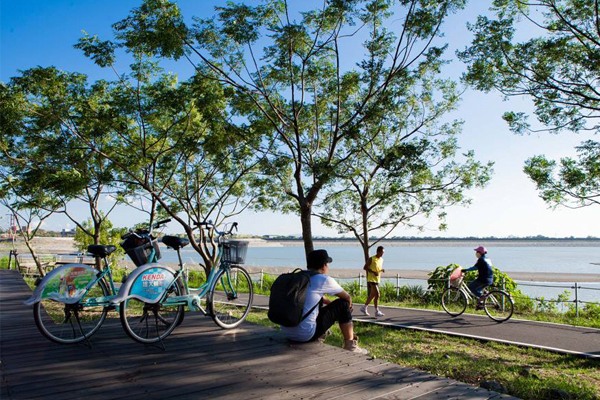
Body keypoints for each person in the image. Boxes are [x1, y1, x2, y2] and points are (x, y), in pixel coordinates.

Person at [281, 249, 368, 354]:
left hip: (286, 331)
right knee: (343, 304)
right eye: (327, 264)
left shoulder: (299, 278)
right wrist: (344, 311)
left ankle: (320, 336)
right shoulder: (323, 279)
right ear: (324, 266)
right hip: (305, 335)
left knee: (321, 306)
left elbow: (310, 297)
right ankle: (351, 346)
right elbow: (347, 298)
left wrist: (330, 305)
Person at [360, 246, 385, 317]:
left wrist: (381, 270)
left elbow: (378, 268)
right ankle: (377, 311)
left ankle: (364, 308)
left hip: (377, 279)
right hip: (371, 279)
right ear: (378, 251)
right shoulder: (372, 259)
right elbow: (365, 267)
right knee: (378, 294)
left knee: (372, 295)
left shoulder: (381, 260)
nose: (382, 254)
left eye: (383, 253)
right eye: (382, 252)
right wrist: (373, 272)